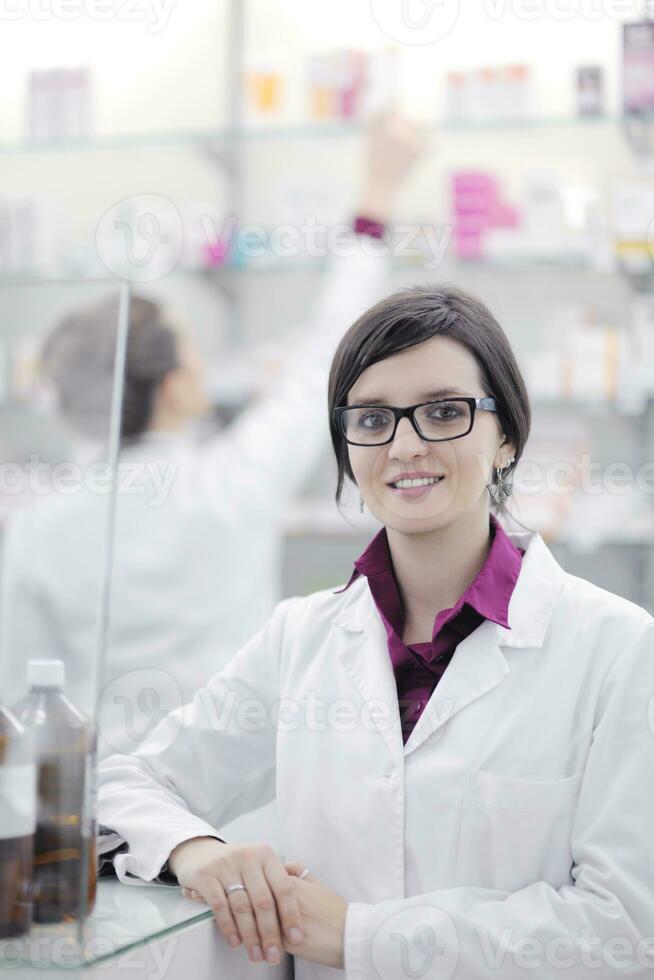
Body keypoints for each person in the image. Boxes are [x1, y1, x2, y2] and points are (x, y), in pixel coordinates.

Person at [97, 285, 654, 979]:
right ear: (347, 448)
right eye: (371, 419)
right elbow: (125, 780)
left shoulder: (618, 648)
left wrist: (363, 939)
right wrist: (199, 851)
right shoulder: (300, 637)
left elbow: (626, 929)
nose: (406, 445)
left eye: (445, 412)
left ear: (507, 435)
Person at [0, 116, 422, 759]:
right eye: (192, 352)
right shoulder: (233, 482)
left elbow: (21, 702)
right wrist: (377, 195)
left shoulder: (38, 527)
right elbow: (327, 353)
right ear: (172, 389)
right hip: (237, 808)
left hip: (104, 806)